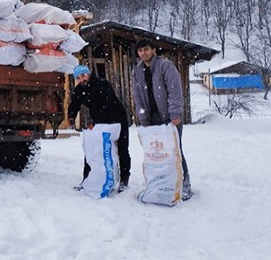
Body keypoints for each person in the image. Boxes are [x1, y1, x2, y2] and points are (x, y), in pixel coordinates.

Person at [131, 38, 193, 201]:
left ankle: (185, 183)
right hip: (151, 118)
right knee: (156, 153)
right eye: (140, 51)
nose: (143, 53)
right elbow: (137, 96)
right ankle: (161, 183)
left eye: (146, 49)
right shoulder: (137, 71)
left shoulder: (165, 66)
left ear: (153, 50)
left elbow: (175, 91)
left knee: (175, 151)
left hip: (169, 118)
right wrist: (143, 118)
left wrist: (174, 114)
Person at [68, 65, 131, 193]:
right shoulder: (80, 89)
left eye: (83, 75)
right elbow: (74, 104)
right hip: (100, 121)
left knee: (122, 149)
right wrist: (71, 117)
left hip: (117, 118)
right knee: (92, 149)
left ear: (89, 74)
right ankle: (87, 178)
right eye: (78, 78)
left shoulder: (102, 84)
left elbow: (106, 104)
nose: (82, 79)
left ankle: (124, 180)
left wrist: (97, 124)